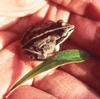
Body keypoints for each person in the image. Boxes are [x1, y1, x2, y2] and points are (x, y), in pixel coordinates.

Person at [0, 0, 100, 99]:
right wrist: (52, 56)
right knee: (44, 56)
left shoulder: (51, 24)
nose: (70, 27)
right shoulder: (55, 40)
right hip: (30, 48)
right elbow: (55, 48)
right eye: (62, 25)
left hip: (26, 37)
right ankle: (43, 58)